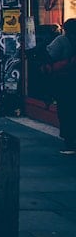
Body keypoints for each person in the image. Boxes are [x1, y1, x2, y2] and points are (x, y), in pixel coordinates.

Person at [44, 18, 76, 154]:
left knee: (66, 111)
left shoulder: (62, 40)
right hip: (67, 82)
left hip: (65, 82)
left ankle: (69, 142)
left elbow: (48, 55)